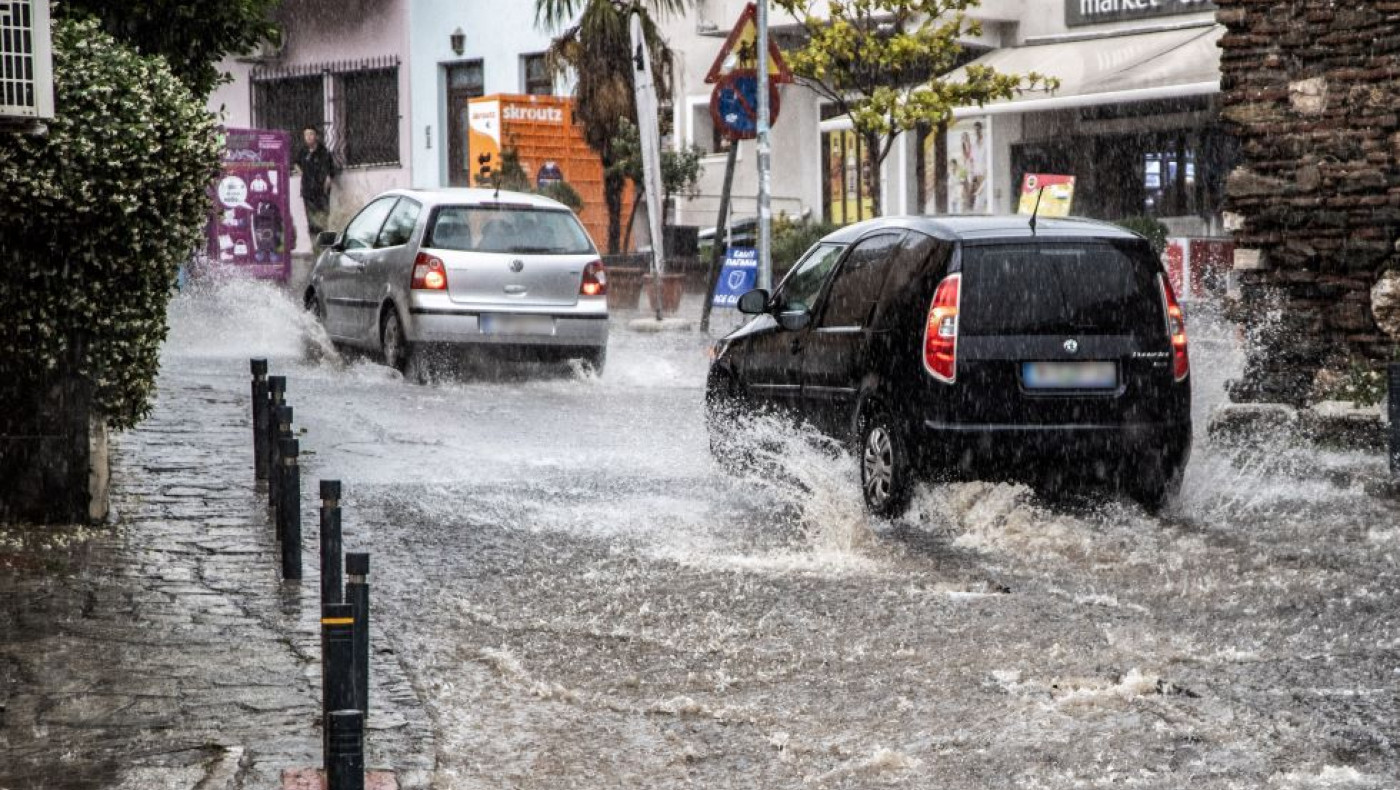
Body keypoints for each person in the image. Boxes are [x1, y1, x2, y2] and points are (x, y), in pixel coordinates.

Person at [294, 126, 340, 243]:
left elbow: (331, 170)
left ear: (316, 136)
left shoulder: (323, 152)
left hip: (321, 193)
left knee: (323, 220)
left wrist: (328, 178)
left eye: (311, 134)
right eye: (306, 135)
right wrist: (301, 172)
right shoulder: (303, 152)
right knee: (311, 222)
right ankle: (315, 248)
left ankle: (324, 247)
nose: (308, 137)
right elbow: (295, 163)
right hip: (308, 193)